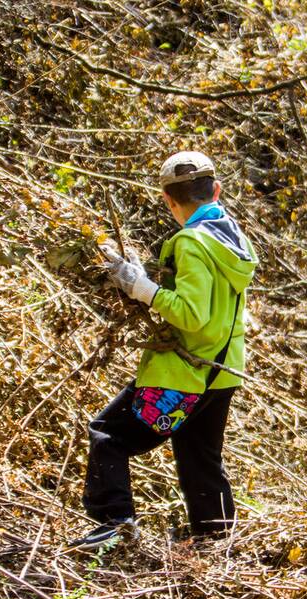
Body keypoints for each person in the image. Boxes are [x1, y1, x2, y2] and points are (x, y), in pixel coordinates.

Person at [71, 151, 258, 548]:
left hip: (185, 374)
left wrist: (141, 288)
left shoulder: (191, 243)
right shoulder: (233, 238)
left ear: (168, 201)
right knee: (198, 457)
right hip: (222, 370)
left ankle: (115, 525)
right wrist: (149, 279)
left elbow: (191, 314)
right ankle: (215, 542)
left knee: (108, 434)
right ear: (217, 191)